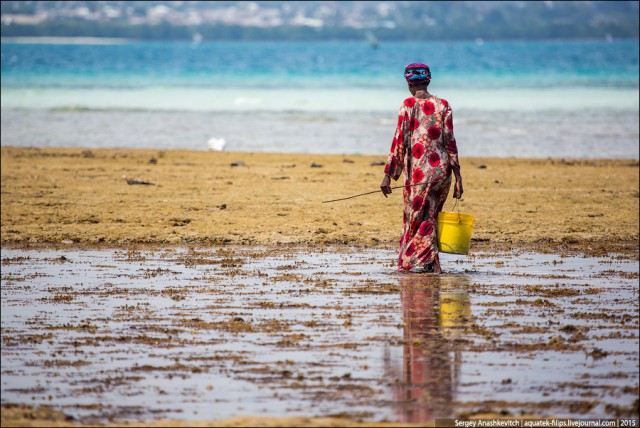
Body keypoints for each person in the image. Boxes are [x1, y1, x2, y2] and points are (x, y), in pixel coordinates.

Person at [380, 63, 463, 274]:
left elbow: (400, 141)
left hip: (419, 173)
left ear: (408, 83)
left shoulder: (407, 104)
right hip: (442, 172)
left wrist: (388, 175)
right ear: (429, 80)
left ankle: (427, 264)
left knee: (418, 217)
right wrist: (458, 176)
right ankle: (429, 263)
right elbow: (450, 141)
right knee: (431, 215)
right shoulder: (443, 105)